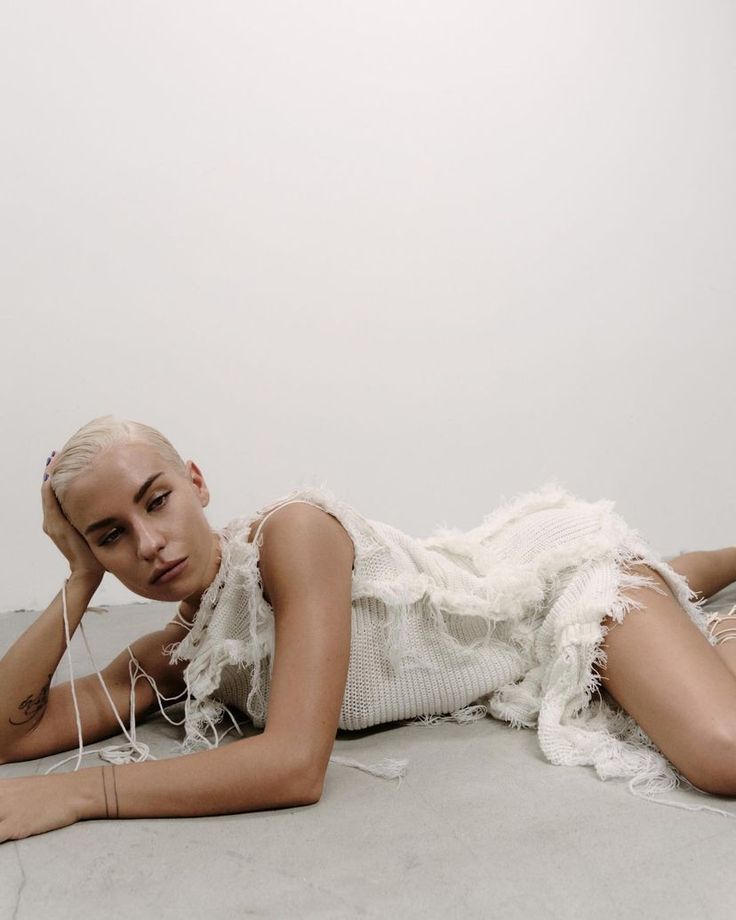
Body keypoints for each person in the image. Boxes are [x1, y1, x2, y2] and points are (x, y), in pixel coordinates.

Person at [2, 415, 736, 843]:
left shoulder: (294, 535)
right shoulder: (184, 653)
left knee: (722, 754)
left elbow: (293, 766)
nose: (149, 543)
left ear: (195, 482)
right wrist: (77, 581)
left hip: (556, 593)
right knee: (597, 581)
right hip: (502, 605)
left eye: (156, 501)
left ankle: (719, 630)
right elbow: (14, 733)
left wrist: (82, 795)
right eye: (110, 536)